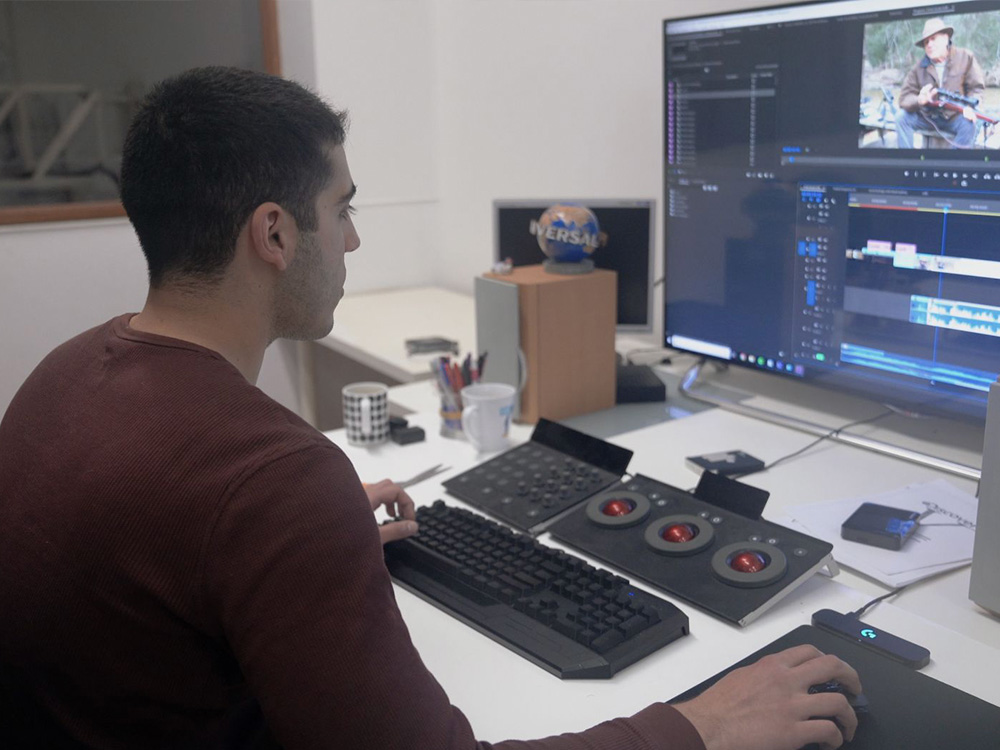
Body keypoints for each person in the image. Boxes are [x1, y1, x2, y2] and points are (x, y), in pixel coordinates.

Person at [0, 66, 862, 750]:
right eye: (341, 209)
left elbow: (163, 553)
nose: (353, 239)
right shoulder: (274, 479)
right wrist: (699, 727)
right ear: (274, 234)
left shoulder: (62, 373)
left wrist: (289, 555)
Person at [895, 17, 986, 148]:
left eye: (933, 39)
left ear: (945, 38)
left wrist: (970, 108)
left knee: (970, 123)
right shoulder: (918, 68)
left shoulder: (965, 57)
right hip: (928, 118)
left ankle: (954, 161)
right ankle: (906, 160)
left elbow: (976, 88)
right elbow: (904, 98)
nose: (929, 44)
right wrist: (919, 100)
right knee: (901, 118)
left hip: (956, 117)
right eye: (926, 42)